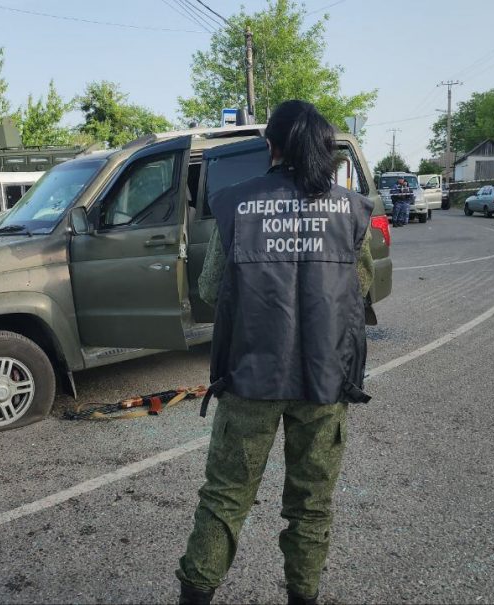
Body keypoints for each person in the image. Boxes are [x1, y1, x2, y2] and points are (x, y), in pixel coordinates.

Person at [176, 100, 376, 605]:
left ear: (272, 145)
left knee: (224, 500)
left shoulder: (238, 203)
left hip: (250, 377)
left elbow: (209, 286)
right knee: (311, 506)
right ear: (325, 147)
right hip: (324, 379)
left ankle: (197, 594)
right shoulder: (350, 209)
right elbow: (362, 283)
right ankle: (302, 596)